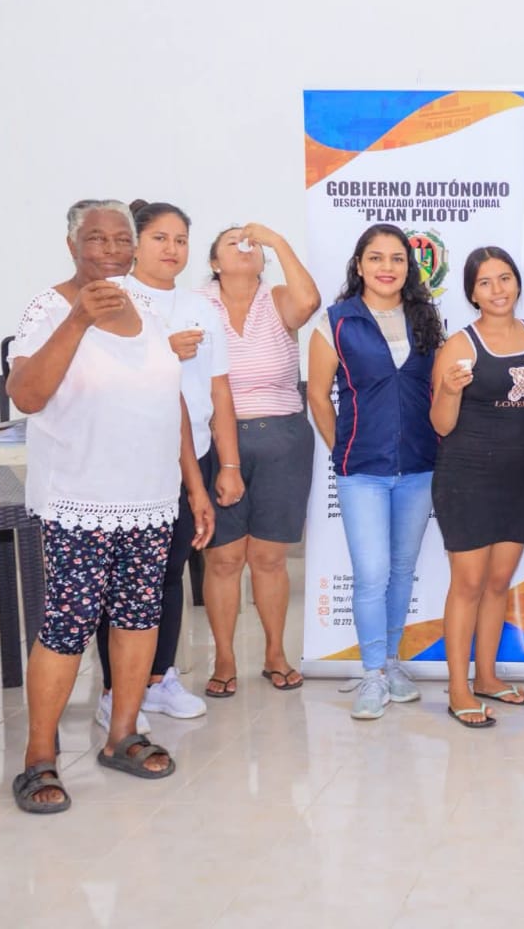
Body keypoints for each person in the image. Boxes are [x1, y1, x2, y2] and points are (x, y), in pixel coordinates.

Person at [6, 200, 214, 814]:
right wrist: (77, 320)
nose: (112, 250)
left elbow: (171, 399)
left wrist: (194, 486)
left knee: (138, 618)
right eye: (97, 239)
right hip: (81, 498)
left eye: (122, 239)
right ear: (73, 245)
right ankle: (38, 757)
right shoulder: (48, 309)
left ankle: (122, 734)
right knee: (67, 627)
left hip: (150, 498)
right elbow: (26, 395)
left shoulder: (145, 308)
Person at [93, 202, 244, 732]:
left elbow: (219, 389)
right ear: (136, 243)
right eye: (160, 237)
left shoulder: (201, 306)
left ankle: (159, 679)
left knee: (170, 570)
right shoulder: (112, 297)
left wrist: (228, 462)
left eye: (180, 240)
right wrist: (161, 350)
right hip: (129, 458)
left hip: (192, 455)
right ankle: (115, 691)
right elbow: (98, 373)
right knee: (122, 578)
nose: (171, 248)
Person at [307, 224, 443, 720]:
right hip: (361, 471)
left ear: (409, 267)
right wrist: (342, 448)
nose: (387, 267)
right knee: (371, 574)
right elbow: (317, 395)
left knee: (402, 570)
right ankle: (371, 674)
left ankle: (390, 662)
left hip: (420, 467)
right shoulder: (336, 322)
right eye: (376, 257)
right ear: (359, 265)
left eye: (397, 258)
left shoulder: (426, 318)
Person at [431, 246, 524, 728]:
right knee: (468, 584)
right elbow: (441, 425)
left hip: (519, 477)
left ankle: (486, 676)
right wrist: (450, 389)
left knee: (499, 582)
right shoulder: (459, 345)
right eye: (485, 282)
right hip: (466, 478)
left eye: (505, 278)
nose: (498, 289)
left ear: (518, 283)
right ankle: (458, 688)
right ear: (472, 293)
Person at [199, 223, 320, 696]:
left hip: (283, 439)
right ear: (214, 263)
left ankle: (275, 653)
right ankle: (224, 658)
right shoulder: (197, 304)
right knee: (224, 559)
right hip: (217, 439)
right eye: (231, 243)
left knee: (269, 558)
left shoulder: (277, 299)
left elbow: (309, 302)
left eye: (251, 244)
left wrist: (279, 242)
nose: (244, 247)